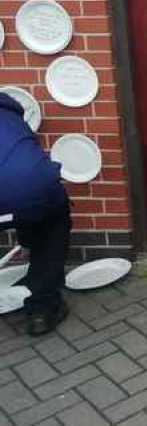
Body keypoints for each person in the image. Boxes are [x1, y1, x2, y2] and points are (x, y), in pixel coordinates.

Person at [0, 93, 72, 335]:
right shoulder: (10, 114)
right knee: (47, 216)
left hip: (24, 191)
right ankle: (41, 309)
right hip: (33, 191)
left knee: (30, 207)